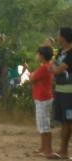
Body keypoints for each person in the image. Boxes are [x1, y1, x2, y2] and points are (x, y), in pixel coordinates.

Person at [50, 27, 72, 159]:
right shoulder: (60, 52)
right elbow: (53, 67)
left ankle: (65, 150)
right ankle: (63, 150)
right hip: (60, 91)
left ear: (63, 37)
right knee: (64, 121)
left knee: (68, 121)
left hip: (69, 94)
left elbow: (56, 69)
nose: (58, 37)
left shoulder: (70, 54)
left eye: (59, 35)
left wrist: (53, 68)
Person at [30, 46, 54, 158]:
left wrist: (31, 74)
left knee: (44, 125)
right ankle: (44, 147)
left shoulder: (44, 68)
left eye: (38, 54)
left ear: (42, 56)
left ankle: (47, 149)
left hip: (42, 99)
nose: (37, 56)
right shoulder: (46, 66)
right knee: (42, 124)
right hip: (43, 98)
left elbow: (32, 78)